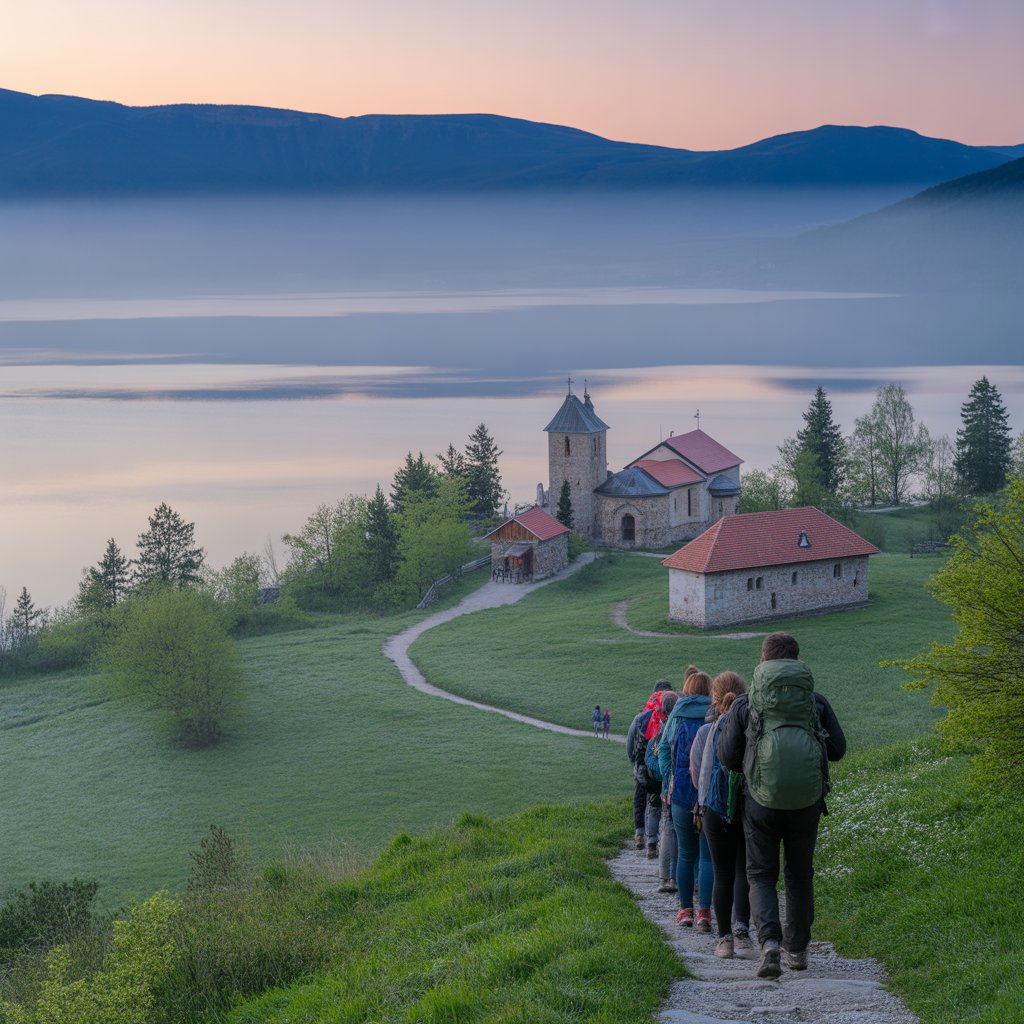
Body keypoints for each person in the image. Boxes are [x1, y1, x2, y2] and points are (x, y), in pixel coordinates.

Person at [719, 632, 846, 980]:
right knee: (800, 873)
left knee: (760, 874)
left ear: (764, 660)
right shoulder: (815, 703)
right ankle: (798, 949)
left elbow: (727, 757)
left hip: (759, 802)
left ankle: (770, 944)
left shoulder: (747, 704)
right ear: (796, 660)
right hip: (806, 800)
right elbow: (838, 749)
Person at [691, 671, 752, 959]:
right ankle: (743, 934)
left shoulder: (705, 732)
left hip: (713, 808)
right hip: (743, 806)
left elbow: (696, 773)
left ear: (714, 699)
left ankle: (724, 940)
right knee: (743, 870)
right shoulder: (749, 727)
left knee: (721, 872)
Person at [658, 670, 714, 932]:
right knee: (706, 857)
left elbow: (664, 750)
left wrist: (667, 781)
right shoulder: (715, 713)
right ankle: (705, 913)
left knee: (685, 854)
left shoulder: (677, 715)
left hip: (680, 792)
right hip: (708, 794)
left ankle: (685, 911)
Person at [626, 682, 673, 853]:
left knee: (640, 800)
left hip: (642, 767)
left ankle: (640, 835)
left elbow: (629, 746)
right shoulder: (671, 717)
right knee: (657, 804)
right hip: (662, 769)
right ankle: (654, 842)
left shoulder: (641, 717)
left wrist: (636, 765)